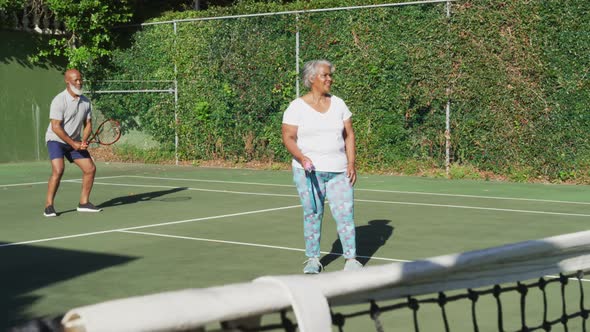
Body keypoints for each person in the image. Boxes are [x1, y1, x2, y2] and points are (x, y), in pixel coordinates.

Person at [282, 60, 362, 274]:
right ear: (311, 79)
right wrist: (301, 158)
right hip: (307, 172)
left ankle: (351, 259)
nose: (329, 79)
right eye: (324, 75)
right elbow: (288, 137)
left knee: (346, 215)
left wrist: (351, 163)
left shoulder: (339, 104)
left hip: (339, 172)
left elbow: (349, 134)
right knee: (312, 214)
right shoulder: (296, 107)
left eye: (330, 75)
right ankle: (313, 260)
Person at [43, 68, 102, 217]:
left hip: (74, 141)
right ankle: (49, 206)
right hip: (56, 139)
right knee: (58, 170)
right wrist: (73, 143)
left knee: (90, 169)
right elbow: (56, 127)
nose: (79, 82)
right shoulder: (59, 100)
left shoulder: (85, 102)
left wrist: (83, 140)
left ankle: (83, 203)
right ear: (67, 81)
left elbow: (87, 124)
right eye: (76, 80)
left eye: (80, 79)